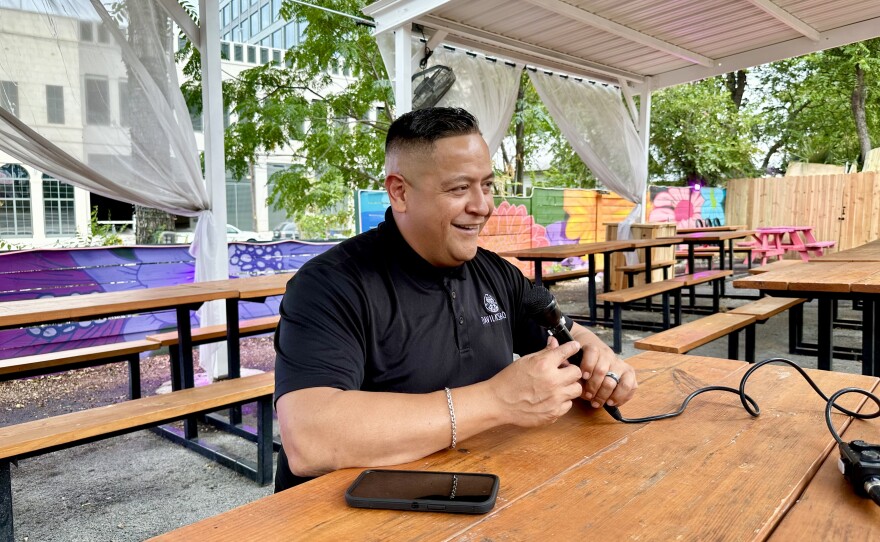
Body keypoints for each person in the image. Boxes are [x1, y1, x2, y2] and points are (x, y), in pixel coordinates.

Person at [273, 107, 636, 492]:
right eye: (459, 188)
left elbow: (565, 333)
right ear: (400, 192)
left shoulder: (496, 272)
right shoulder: (330, 285)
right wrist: (496, 400)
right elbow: (308, 438)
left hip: (475, 493)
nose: (483, 206)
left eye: (487, 185)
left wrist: (599, 360)